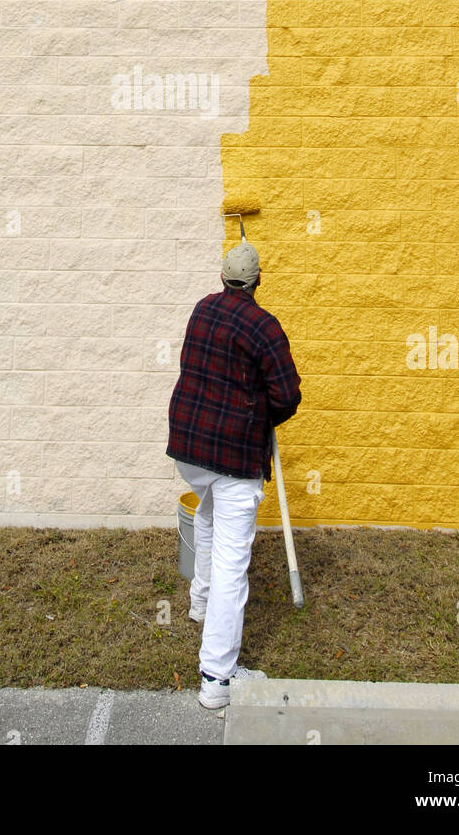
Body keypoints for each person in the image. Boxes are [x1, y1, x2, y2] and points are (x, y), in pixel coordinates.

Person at [166, 240, 301, 709]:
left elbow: (199, 368)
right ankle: (216, 679)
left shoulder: (203, 309)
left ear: (222, 278)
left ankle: (199, 603)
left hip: (189, 449)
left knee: (206, 513)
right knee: (232, 564)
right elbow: (288, 396)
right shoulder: (264, 326)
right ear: (258, 280)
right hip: (234, 458)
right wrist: (262, 412)